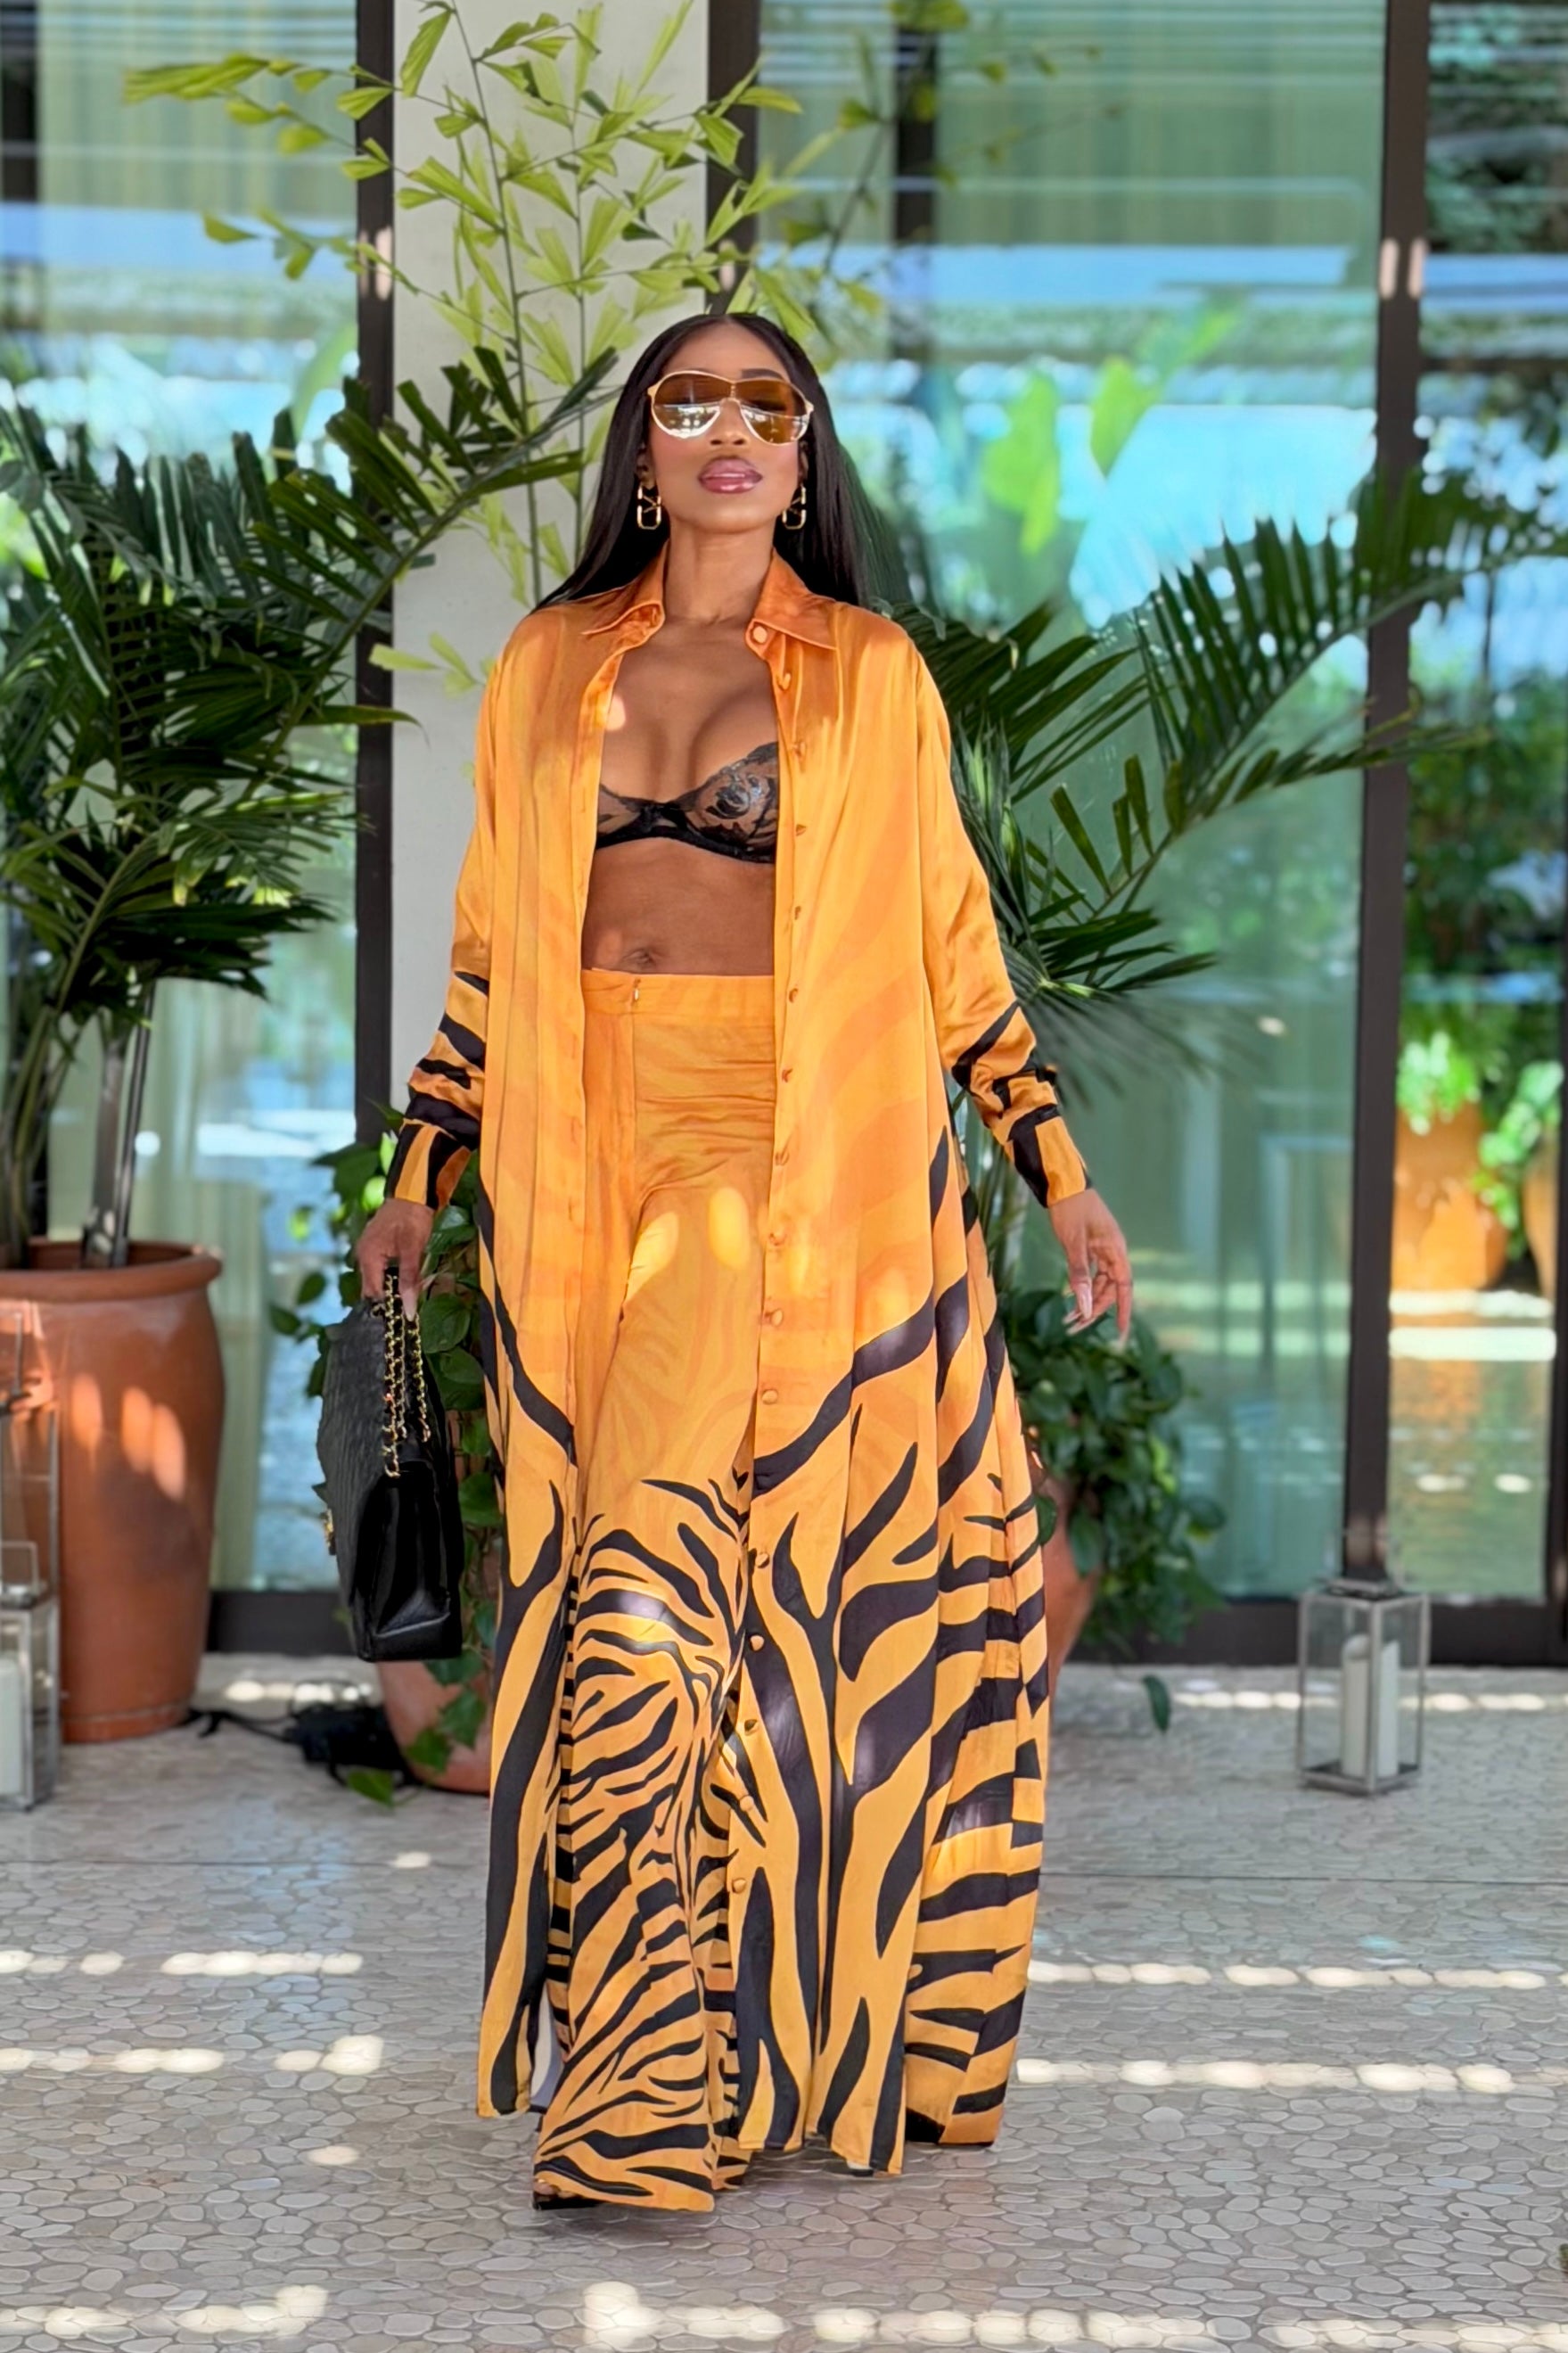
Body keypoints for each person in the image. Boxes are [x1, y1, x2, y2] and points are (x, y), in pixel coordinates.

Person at [357, 310, 1133, 2213]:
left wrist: (1056, 1173)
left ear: (803, 457)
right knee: (646, 1607)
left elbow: (953, 955)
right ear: (644, 449)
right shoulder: (549, 664)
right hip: (572, 1171)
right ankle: (718, 2056)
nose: (728, 429)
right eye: (689, 400)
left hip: (771, 1165)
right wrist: (418, 1176)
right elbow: (487, 961)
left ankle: (635, 2110)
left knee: (645, 1596)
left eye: (764, 406)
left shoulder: (869, 678)